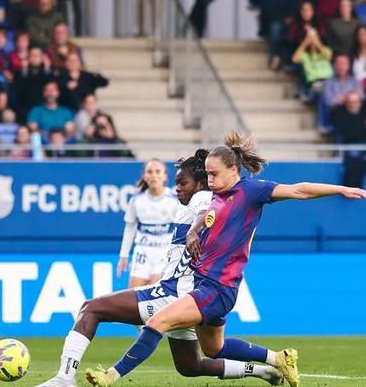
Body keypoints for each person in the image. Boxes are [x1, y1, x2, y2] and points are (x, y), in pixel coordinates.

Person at [83, 131, 366, 387]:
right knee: (213, 350)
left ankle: (110, 376)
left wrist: (341, 189)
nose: (209, 180)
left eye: (214, 174)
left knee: (157, 322)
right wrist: (194, 233)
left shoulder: (251, 191)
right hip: (209, 287)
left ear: (234, 170)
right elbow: (201, 219)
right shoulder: (216, 197)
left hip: (216, 287)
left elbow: (299, 190)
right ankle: (278, 359)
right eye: (206, 175)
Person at [35, 151, 285, 387]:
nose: (177, 188)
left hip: (175, 294)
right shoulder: (198, 200)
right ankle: (265, 371)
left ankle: (64, 378)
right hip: (190, 297)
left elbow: (206, 211)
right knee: (190, 365)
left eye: (182, 182)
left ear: (199, 183)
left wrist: (195, 229)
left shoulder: (202, 198)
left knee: (91, 308)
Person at [117, 159, 177, 288]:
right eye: (150, 172)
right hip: (142, 253)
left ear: (165, 176)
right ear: (145, 176)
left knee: (155, 297)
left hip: (164, 253)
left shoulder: (174, 200)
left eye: (157, 171)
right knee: (133, 296)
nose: (154, 175)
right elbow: (129, 228)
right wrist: (123, 255)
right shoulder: (137, 200)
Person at [260, 0, 303, 68]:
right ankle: (275, 56)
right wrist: (282, 19)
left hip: (296, 19)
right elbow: (268, 8)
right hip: (278, 20)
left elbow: (301, 5)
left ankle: (291, 62)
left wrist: (293, 17)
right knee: (275, 29)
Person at [291, 25, 333, 96]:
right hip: (313, 82)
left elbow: (328, 57)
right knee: (319, 91)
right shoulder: (304, 55)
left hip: (327, 80)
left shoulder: (326, 50)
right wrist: (305, 43)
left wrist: (318, 43)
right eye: (310, 37)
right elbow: (294, 59)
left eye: (315, 36)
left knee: (325, 91)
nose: (312, 39)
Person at [13, 46, 52, 120]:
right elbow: (18, 88)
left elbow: (51, 87)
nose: (35, 58)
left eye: (37, 56)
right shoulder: (21, 72)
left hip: (42, 105)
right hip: (25, 106)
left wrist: (47, 68)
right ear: (28, 57)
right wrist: (24, 70)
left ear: (42, 58)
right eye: (32, 55)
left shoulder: (47, 72)